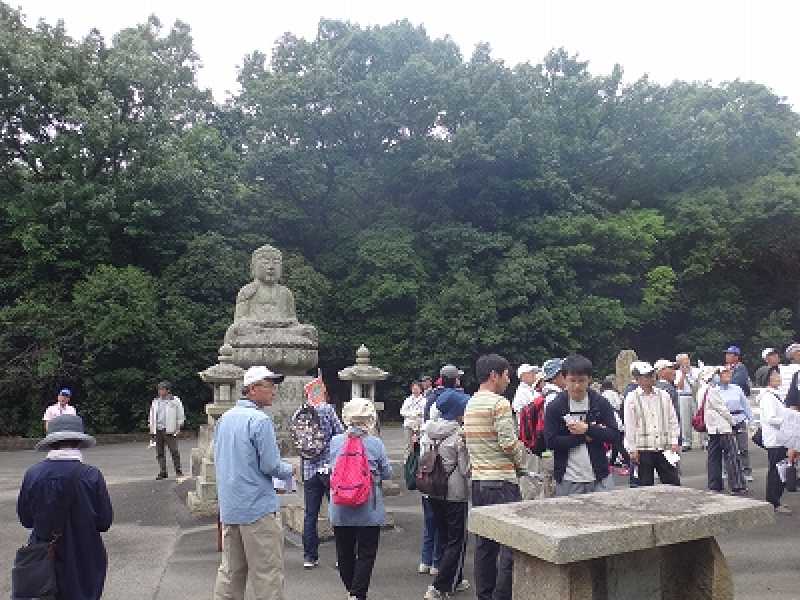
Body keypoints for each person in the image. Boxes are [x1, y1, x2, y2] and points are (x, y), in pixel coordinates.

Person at [214, 366, 295, 600]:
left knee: (230, 571)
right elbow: (271, 466)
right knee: (267, 573)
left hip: (230, 507)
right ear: (252, 390)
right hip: (257, 508)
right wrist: (292, 469)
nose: (274, 391)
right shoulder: (260, 421)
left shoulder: (225, 419)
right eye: (269, 385)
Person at [17, 414, 113, 600]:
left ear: (51, 442)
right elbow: (104, 522)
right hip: (85, 556)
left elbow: (26, 520)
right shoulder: (91, 475)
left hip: (44, 556)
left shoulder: (33, 474)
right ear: (78, 441)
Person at [464, 354, 527, 600]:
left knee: (485, 546)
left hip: (479, 481)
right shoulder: (499, 404)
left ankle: (485, 595)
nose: (508, 381)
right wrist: (521, 462)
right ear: (494, 375)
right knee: (511, 545)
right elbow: (509, 444)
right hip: (502, 482)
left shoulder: (471, 403)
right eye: (506, 375)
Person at [329, 398, 393, 600]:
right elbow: (387, 473)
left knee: (344, 552)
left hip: (340, 506)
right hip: (368, 507)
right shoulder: (375, 443)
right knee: (366, 553)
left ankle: (352, 589)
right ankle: (357, 594)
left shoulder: (335, 442)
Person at [421, 384, 471, 600]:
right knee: (457, 540)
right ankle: (439, 587)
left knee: (443, 536)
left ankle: (455, 579)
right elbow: (465, 469)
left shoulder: (428, 431)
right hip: (454, 493)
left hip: (432, 490)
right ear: (457, 412)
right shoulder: (459, 436)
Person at [544, 355, 619, 496]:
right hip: (568, 477)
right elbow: (551, 441)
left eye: (581, 381)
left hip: (599, 476)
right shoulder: (555, 406)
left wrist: (588, 429)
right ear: (564, 378)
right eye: (572, 381)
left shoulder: (600, 403)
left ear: (589, 379)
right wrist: (583, 437)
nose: (577, 386)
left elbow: (614, 435)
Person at [293, 396, 344, 569]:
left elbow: (298, 442)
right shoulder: (328, 410)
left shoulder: (298, 412)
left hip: (309, 469)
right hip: (329, 468)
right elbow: (340, 434)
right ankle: (342, 556)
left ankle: (310, 557)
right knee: (336, 512)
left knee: (310, 515)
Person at [623, 362, 681, 486]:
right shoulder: (631, 398)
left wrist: (674, 440)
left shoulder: (664, 395)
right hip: (643, 448)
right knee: (645, 485)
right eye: (646, 376)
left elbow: (672, 419)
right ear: (638, 379)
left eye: (651, 374)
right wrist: (632, 449)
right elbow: (630, 425)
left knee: (673, 482)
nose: (650, 378)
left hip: (664, 446)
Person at [699, 368, 746, 495]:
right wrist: (733, 422)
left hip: (711, 427)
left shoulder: (701, 390)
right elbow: (722, 409)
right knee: (732, 456)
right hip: (722, 427)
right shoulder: (712, 390)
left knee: (713, 457)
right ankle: (736, 485)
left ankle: (715, 484)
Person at [758, 367, 794, 513]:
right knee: (776, 471)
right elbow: (771, 418)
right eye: (774, 374)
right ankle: (773, 502)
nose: (778, 376)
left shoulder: (774, 395)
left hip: (780, 438)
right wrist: (789, 420)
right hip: (775, 439)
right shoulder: (768, 397)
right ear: (767, 378)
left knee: (779, 469)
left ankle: (775, 500)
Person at [716, 364, 754, 482]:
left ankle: (746, 470)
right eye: (724, 373)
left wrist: (751, 420)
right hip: (725, 421)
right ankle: (726, 470)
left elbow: (745, 405)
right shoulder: (715, 390)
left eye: (728, 373)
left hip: (740, 419)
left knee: (743, 447)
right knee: (726, 448)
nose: (727, 375)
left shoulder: (737, 388)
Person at [148, 381, 185, 479]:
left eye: (162, 389)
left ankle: (178, 471)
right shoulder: (155, 401)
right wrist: (151, 428)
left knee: (174, 451)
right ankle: (163, 471)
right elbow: (151, 415)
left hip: (170, 429)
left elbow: (180, 414)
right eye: (159, 389)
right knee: (159, 452)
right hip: (158, 429)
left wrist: (179, 427)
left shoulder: (175, 400)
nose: (160, 391)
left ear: (168, 390)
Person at [601, 378, 629, 475]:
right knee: (616, 445)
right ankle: (612, 463)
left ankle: (629, 464)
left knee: (618, 445)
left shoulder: (604, 394)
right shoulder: (615, 393)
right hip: (618, 418)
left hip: (611, 420)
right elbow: (619, 405)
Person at [675, 353, 698, 450]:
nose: (686, 361)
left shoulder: (696, 370)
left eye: (687, 359)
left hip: (696, 395)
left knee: (700, 417)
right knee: (685, 420)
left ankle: (705, 440)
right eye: (684, 360)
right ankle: (686, 442)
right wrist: (683, 374)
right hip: (684, 396)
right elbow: (679, 386)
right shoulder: (677, 373)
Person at [654, 359, 681, 442]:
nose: (674, 372)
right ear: (661, 372)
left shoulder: (662, 387)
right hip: (668, 433)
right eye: (670, 368)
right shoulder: (664, 388)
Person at [400, 381, 426, 457]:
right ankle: (407, 461)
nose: (415, 390)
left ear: (421, 390)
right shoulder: (408, 400)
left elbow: (424, 412)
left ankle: (419, 462)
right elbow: (402, 411)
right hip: (409, 425)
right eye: (413, 388)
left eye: (417, 388)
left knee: (420, 444)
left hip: (420, 425)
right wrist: (413, 414)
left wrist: (415, 414)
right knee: (408, 445)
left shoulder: (424, 400)